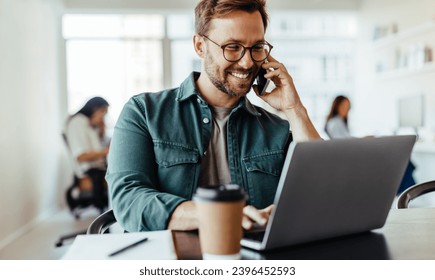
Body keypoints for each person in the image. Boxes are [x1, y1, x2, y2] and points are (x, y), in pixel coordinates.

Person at [106, 0, 321, 232]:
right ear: (200, 46)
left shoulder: (276, 129)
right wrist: (219, 214)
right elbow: (128, 199)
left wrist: (294, 109)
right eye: (233, 47)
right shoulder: (144, 112)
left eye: (257, 47)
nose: (247, 62)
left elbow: (324, 190)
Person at [325, 95, 416, 193]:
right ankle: (407, 190)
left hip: (355, 154)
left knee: (400, 160)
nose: (347, 110)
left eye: (348, 107)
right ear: (336, 106)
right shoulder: (335, 122)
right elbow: (345, 142)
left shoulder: (339, 122)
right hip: (353, 157)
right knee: (398, 159)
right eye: (344, 107)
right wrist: (364, 140)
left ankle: (406, 189)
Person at [64, 96, 110, 209]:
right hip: (89, 172)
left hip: (97, 168)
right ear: (95, 109)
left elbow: (96, 147)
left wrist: (101, 131)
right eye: (103, 113)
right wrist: (105, 152)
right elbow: (81, 156)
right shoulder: (77, 123)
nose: (103, 117)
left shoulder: (89, 125)